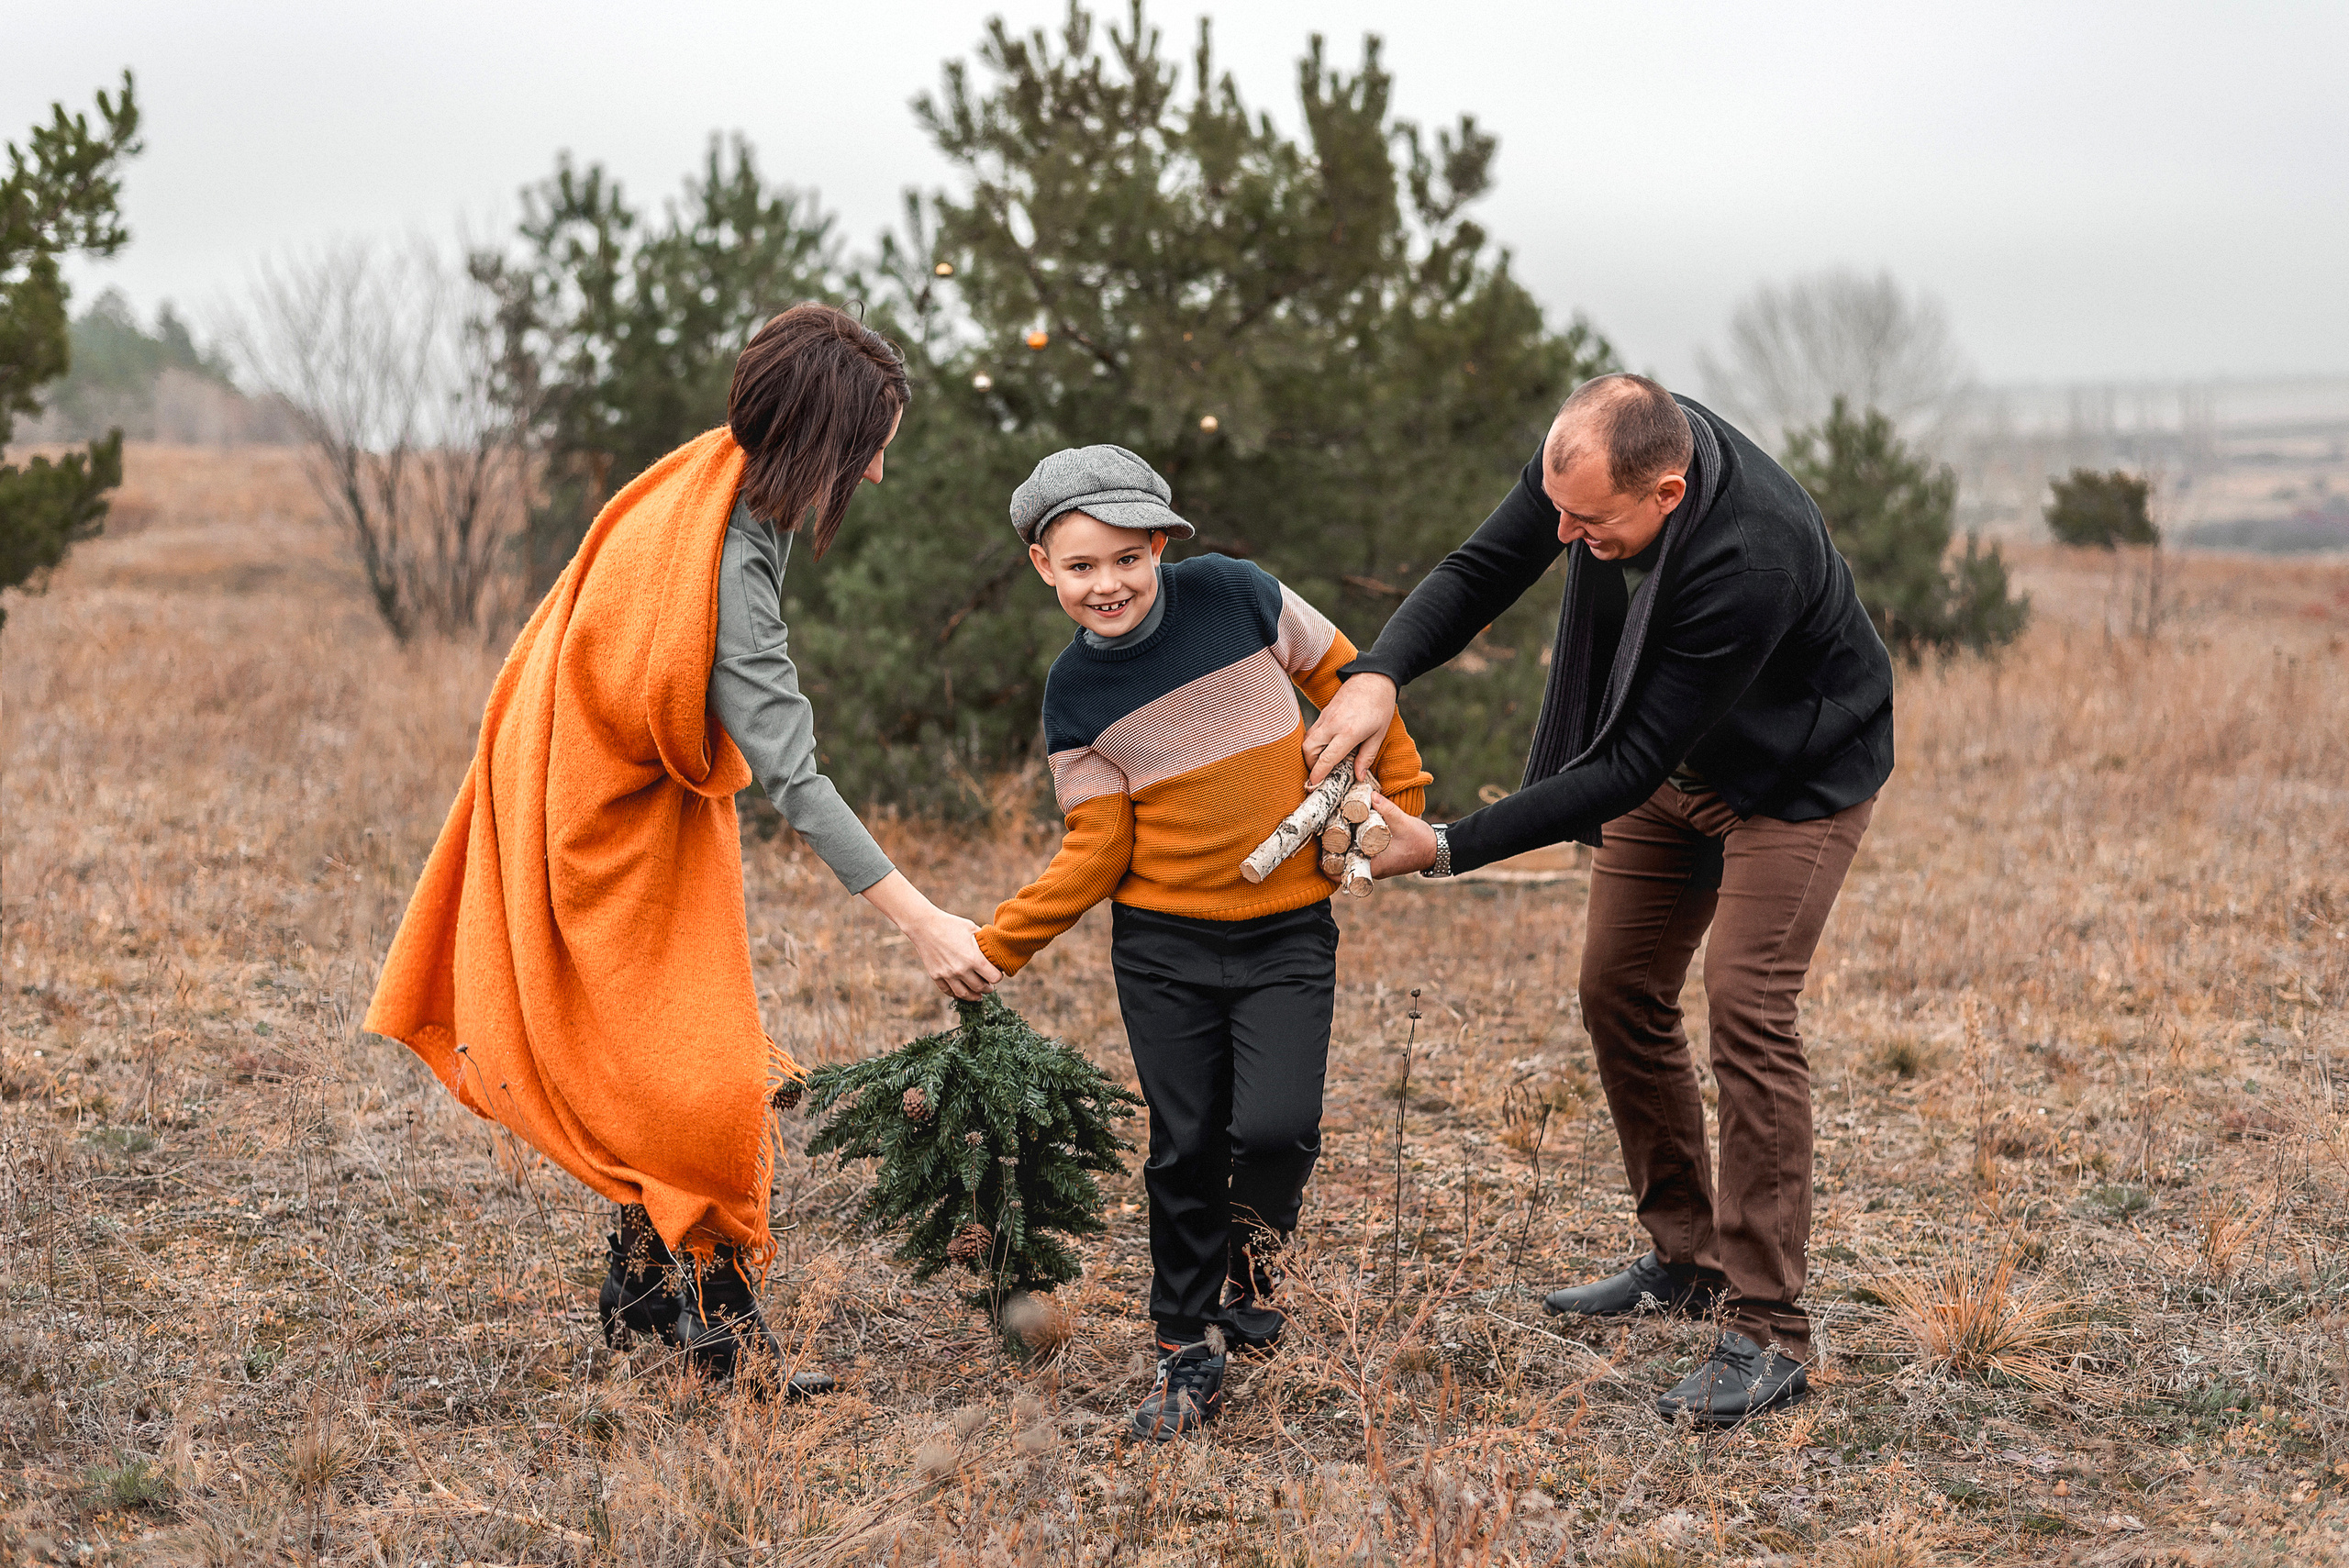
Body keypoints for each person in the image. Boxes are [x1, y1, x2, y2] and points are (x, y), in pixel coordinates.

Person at [366, 304, 1001, 1396]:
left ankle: (644, 1284)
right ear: (818, 441)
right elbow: (795, 774)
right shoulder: (729, 572)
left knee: (644, 1053)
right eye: (872, 446)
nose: (880, 474)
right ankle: (723, 1336)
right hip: (598, 821)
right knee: (699, 1079)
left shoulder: (708, 474)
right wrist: (923, 918)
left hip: (587, 784)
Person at [1315, 374, 1893, 1425]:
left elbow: (1621, 760)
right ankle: (1687, 1255)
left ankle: (1769, 1333)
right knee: (1615, 987)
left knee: (1748, 1009)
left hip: (1793, 781)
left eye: (1588, 524)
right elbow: (1483, 564)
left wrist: (1443, 846)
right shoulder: (1597, 451)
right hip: (1672, 759)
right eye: (1559, 512)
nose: (1565, 535)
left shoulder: (1748, 555)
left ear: (1666, 493)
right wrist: (1380, 672)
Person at [968, 445, 1430, 1440]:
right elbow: (1096, 846)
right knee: (1184, 1145)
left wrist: (1406, 799)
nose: (1109, 583)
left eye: (1128, 558)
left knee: (1274, 1130)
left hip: (1287, 934)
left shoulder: (1237, 594)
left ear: (1162, 546)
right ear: (1043, 566)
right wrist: (1002, 943)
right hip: (1163, 948)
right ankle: (1186, 1345)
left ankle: (1250, 1271)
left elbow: (1354, 678)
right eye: (1081, 566)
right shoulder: (1074, 696)